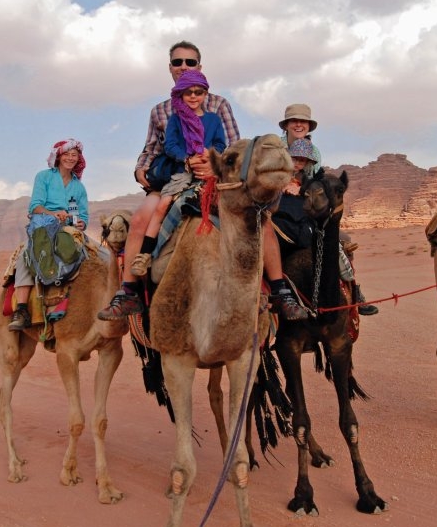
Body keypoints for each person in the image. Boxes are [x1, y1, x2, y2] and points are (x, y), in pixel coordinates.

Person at [97, 40, 307, 321]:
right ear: (170, 67)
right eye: (178, 62)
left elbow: (234, 146)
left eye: (190, 62)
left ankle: (279, 290)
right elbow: (151, 150)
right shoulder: (161, 112)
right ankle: (128, 292)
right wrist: (141, 171)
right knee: (138, 222)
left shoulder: (218, 105)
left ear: (200, 67)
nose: (183, 67)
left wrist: (214, 165)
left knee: (260, 221)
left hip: (216, 179)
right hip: (172, 179)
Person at [129, 69, 227, 277]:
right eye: (188, 92)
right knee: (162, 205)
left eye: (198, 92)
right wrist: (187, 159)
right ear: (180, 94)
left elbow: (221, 143)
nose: (193, 96)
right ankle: (145, 254)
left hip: (210, 171)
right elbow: (170, 145)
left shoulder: (213, 120)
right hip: (183, 170)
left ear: (205, 94)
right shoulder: (175, 119)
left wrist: (210, 156)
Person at [285, 135, 379, 316]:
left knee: (341, 242)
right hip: (285, 222)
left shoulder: (311, 179)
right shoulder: (279, 177)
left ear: (308, 162)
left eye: (302, 159)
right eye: (295, 158)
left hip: (307, 221)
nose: (298, 162)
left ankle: (354, 290)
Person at [8, 139, 89, 331]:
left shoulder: (79, 187)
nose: (70, 158)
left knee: (95, 255)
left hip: (69, 229)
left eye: (74, 155)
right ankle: (21, 310)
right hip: (43, 225)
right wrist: (54, 214)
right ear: (59, 156)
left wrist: (81, 222)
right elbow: (35, 206)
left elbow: (84, 215)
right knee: (26, 257)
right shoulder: (43, 177)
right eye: (67, 154)